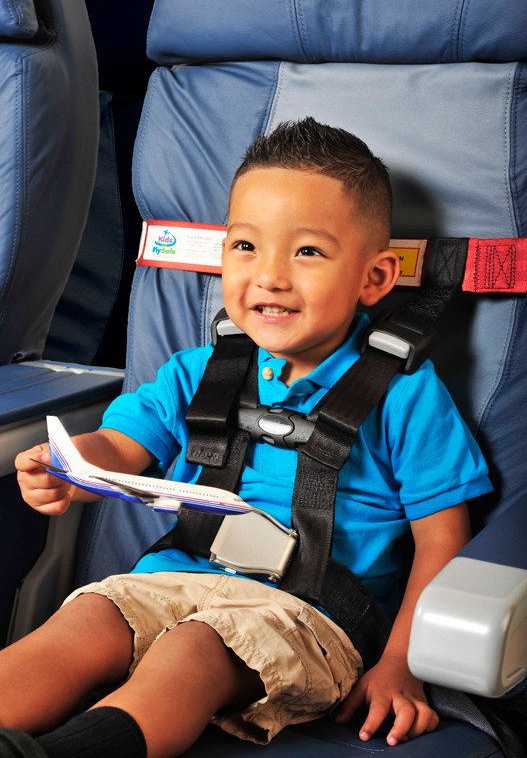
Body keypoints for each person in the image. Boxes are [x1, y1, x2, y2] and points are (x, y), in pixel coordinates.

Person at [5, 118, 492, 758]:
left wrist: (403, 664)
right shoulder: (198, 372)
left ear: (374, 279)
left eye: (308, 252)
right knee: (86, 619)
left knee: (194, 648)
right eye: (244, 247)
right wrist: (68, 465)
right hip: (175, 576)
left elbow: (442, 539)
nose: (269, 276)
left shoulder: (406, 396)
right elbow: (119, 449)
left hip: (309, 616)